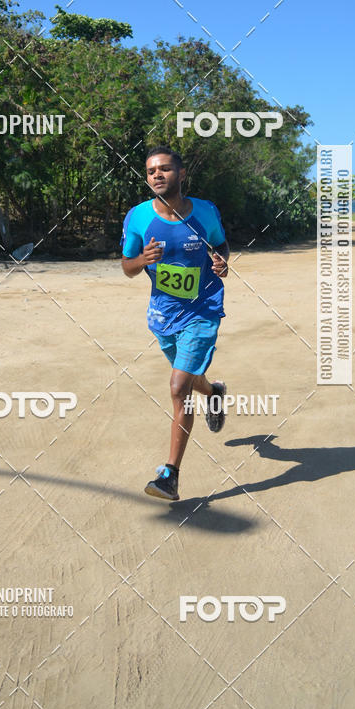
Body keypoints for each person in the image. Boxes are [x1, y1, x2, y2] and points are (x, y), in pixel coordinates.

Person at [121, 146, 230, 501]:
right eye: (151, 171)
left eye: (165, 169)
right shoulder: (137, 217)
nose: (157, 175)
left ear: (181, 175)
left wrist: (222, 262)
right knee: (189, 379)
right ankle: (214, 393)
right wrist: (142, 259)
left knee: (177, 387)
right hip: (163, 317)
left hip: (202, 311)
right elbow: (126, 267)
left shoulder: (205, 212)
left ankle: (170, 475)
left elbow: (221, 245)